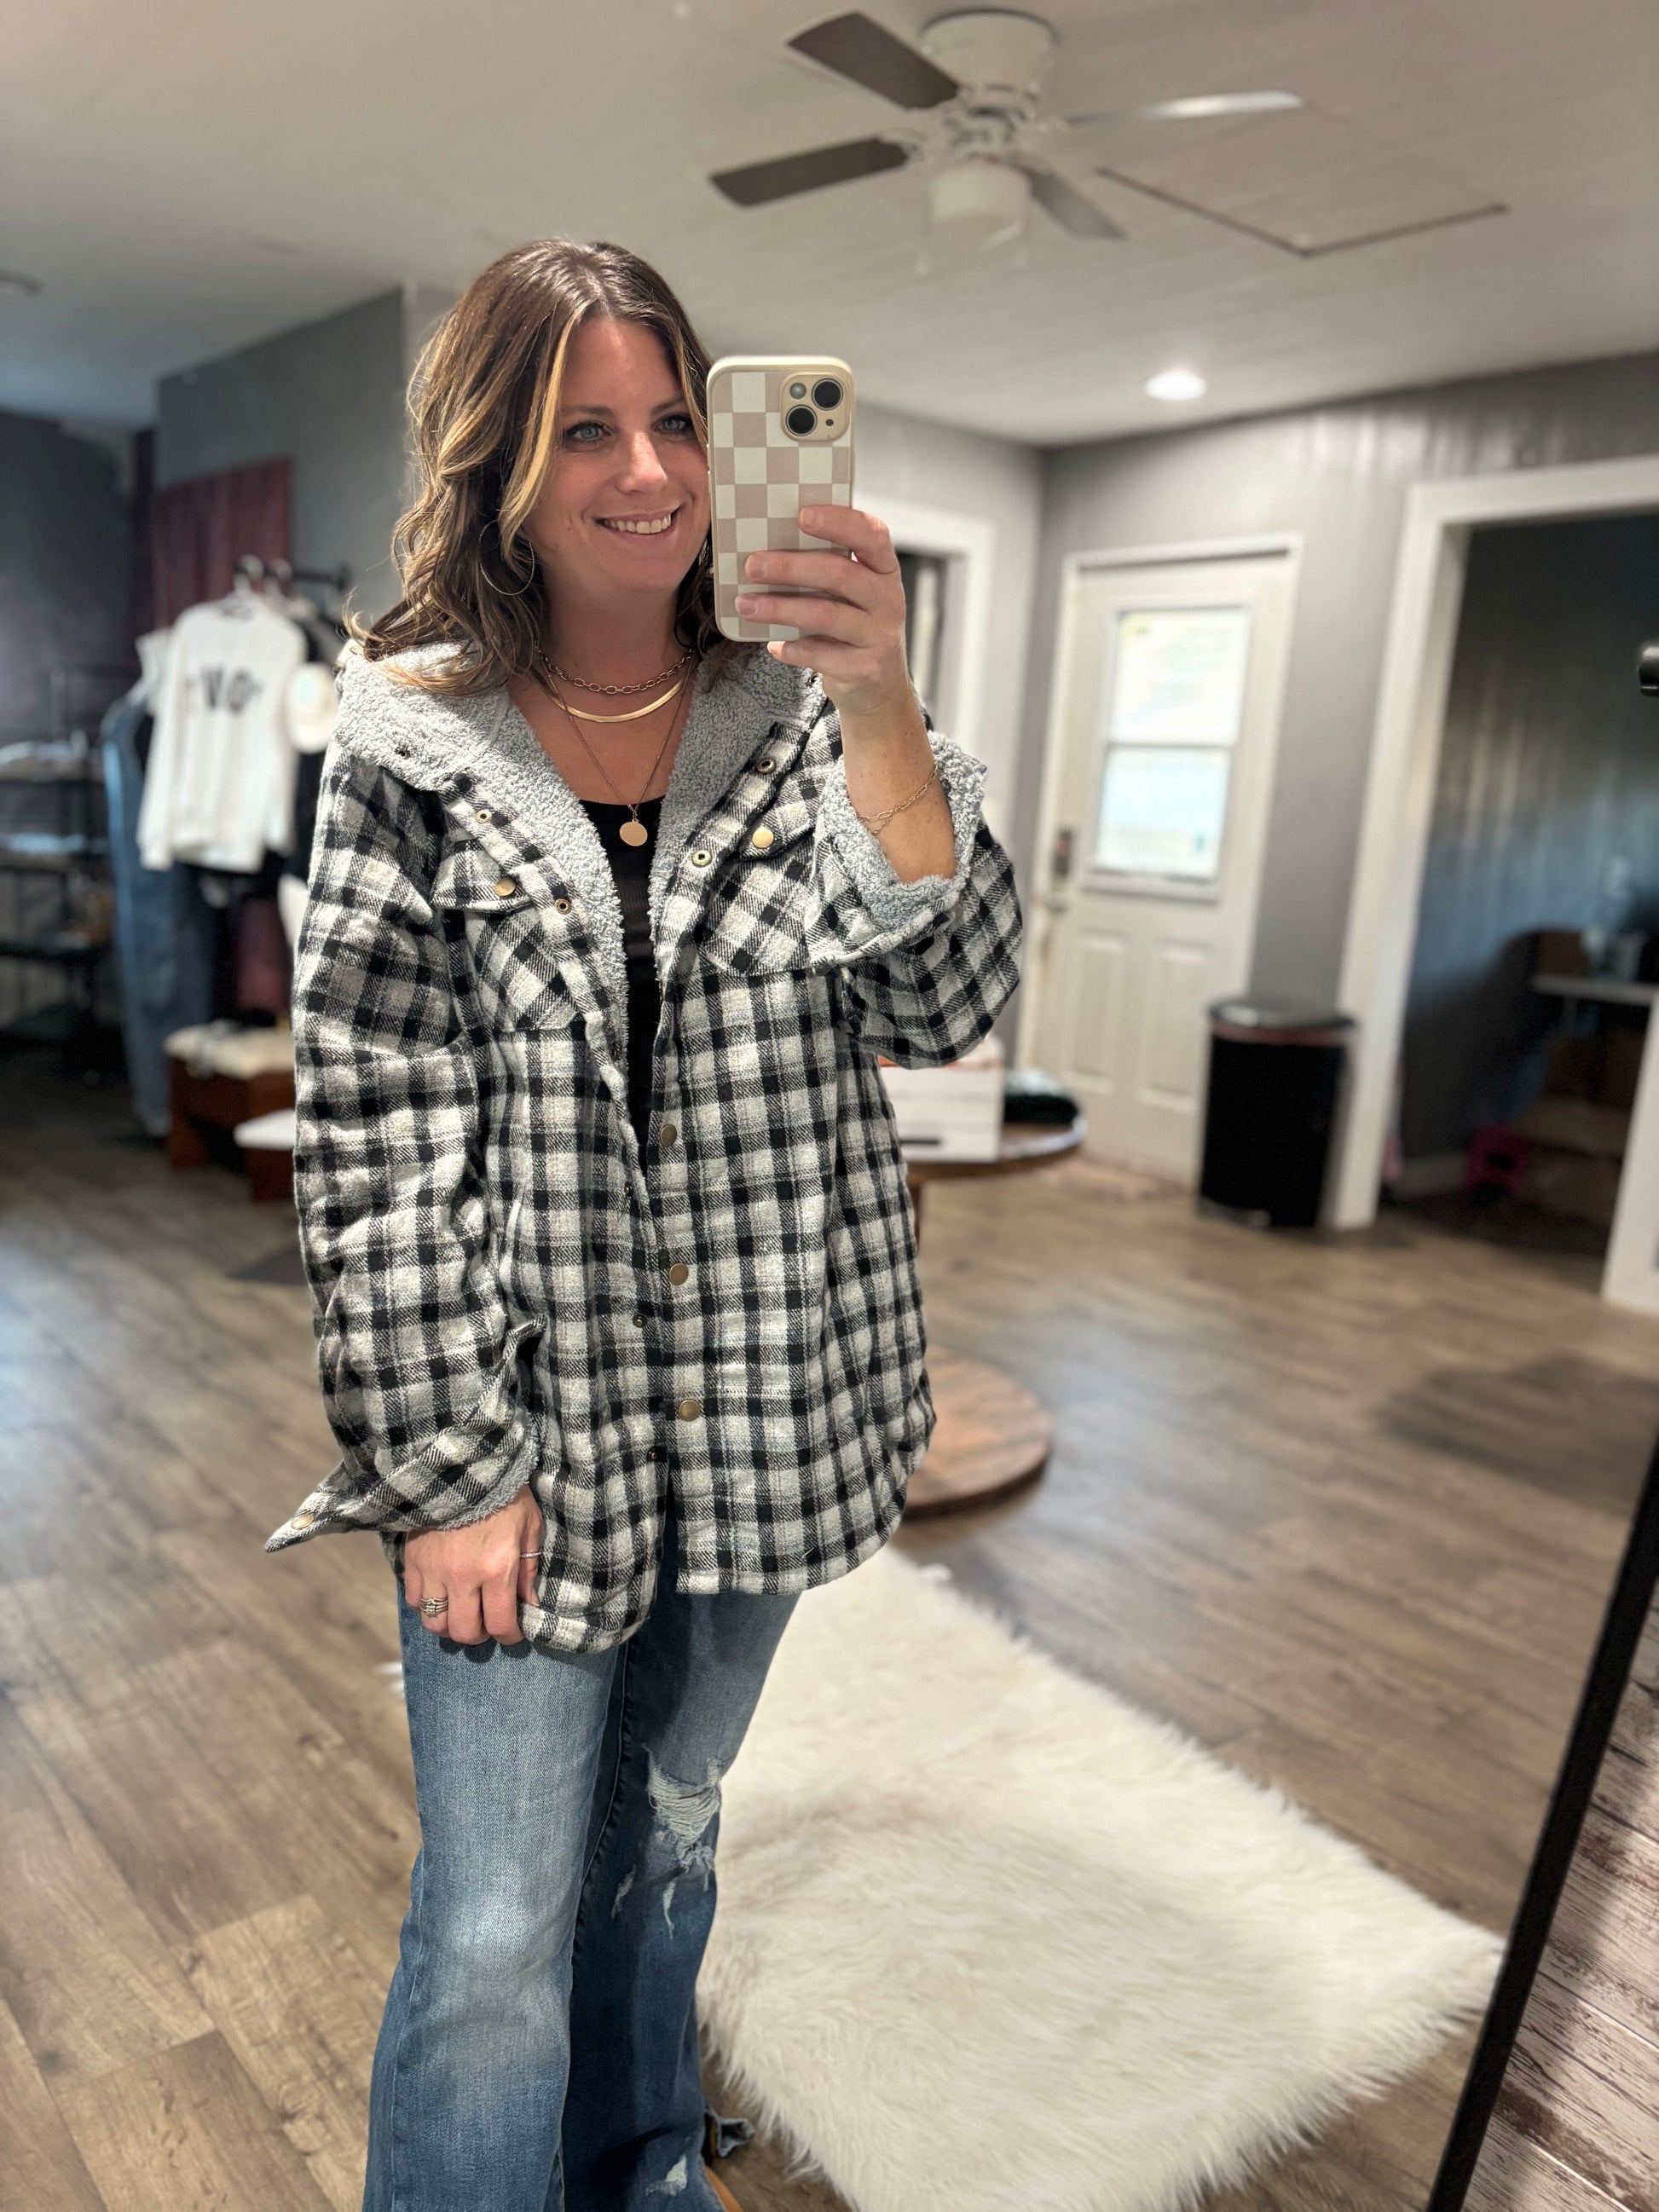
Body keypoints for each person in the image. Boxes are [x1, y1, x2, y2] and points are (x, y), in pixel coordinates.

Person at [266, 238, 1022, 2212]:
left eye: (679, 416)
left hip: (770, 1399)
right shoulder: (408, 744)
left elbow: (946, 1006)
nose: (648, 469)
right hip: (529, 1422)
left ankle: (643, 2170)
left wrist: (884, 707)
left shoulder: (812, 715)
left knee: (671, 1830)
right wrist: (444, 1470)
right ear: (497, 458)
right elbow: (373, 1131)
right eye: (580, 424)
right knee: (501, 1914)